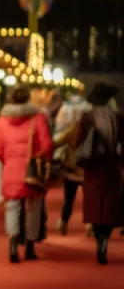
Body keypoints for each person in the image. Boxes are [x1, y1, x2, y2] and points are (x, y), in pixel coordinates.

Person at [0, 85, 53, 263]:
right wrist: (39, 158)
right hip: (32, 170)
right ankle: (30, 247)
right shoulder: (37, 118)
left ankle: (12, 243)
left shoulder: (2, 121)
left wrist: (9, 160)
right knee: (34, 208)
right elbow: (47, 144)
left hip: (11, 169)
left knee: (12, 207)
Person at [76, 83, 124, 265]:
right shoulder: (118, 117)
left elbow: (79, 142)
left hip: (93, 167)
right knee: (110, 206)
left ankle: (99, 240)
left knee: (95, 206)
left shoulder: (87, 117)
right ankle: (105, 240)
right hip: (112, 167)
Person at [53, 93, 92, 235]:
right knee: (89, 198)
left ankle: (63, 222)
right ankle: (90, 225)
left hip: (71, 168)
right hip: (87, 169)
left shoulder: (71, 130)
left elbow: (57, 142)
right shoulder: (92, 130)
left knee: (68, 199)